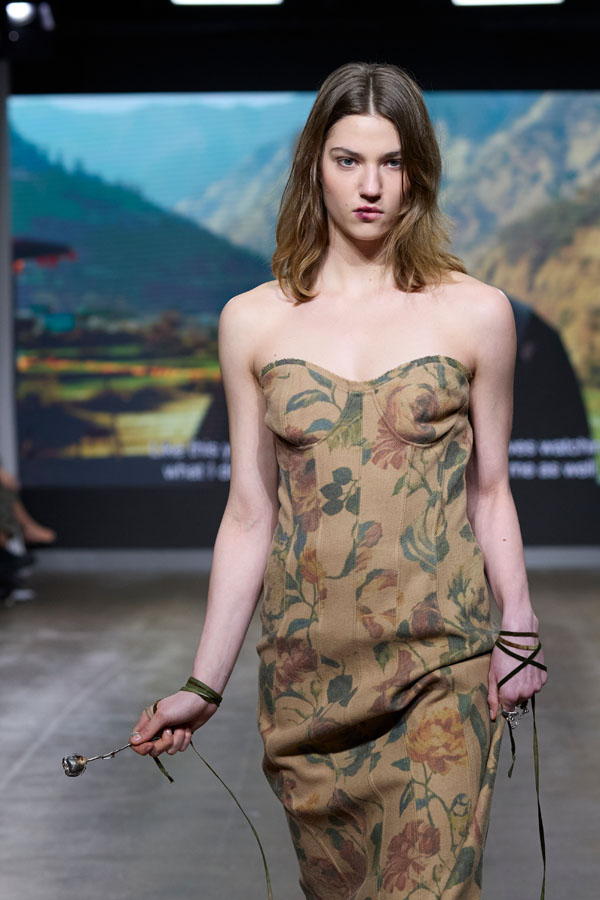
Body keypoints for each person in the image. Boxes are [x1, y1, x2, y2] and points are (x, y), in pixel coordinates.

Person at [130, 61, 548, 899]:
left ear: (417, 173)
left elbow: (490, 489)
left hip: (441, 667)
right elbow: (249, 515)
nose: (370, 186)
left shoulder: (476, 313)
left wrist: (520, 626)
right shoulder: (253, 321)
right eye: (348, 160)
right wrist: (204, 683)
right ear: (313, 166)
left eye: (392, 162)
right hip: (308, 682)